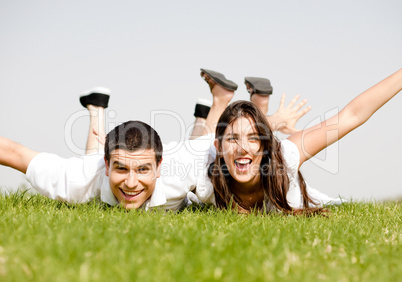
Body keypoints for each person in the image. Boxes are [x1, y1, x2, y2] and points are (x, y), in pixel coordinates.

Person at [0, 70, 308, 210]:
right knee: (87, 163)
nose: (132, 184)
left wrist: (271, 121)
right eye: (121, 168)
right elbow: (14, 152)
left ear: (159, 168)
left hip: (188, 151)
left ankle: (219, 102)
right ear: (107, 166)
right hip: (107, 160)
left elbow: (231, 142)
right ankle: (216, 105)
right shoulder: (79, 178)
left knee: (202, 146)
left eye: (143, 171)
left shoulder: (177, 170)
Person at [202, 68, 402, 213]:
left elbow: (351, 115)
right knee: (204, 141)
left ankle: (252, 105)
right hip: (213, 151)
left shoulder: (285, 154)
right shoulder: (205, 173)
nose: (242, 148)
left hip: (296, 191)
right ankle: (244, 103)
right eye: (233, 140)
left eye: (254, 138)